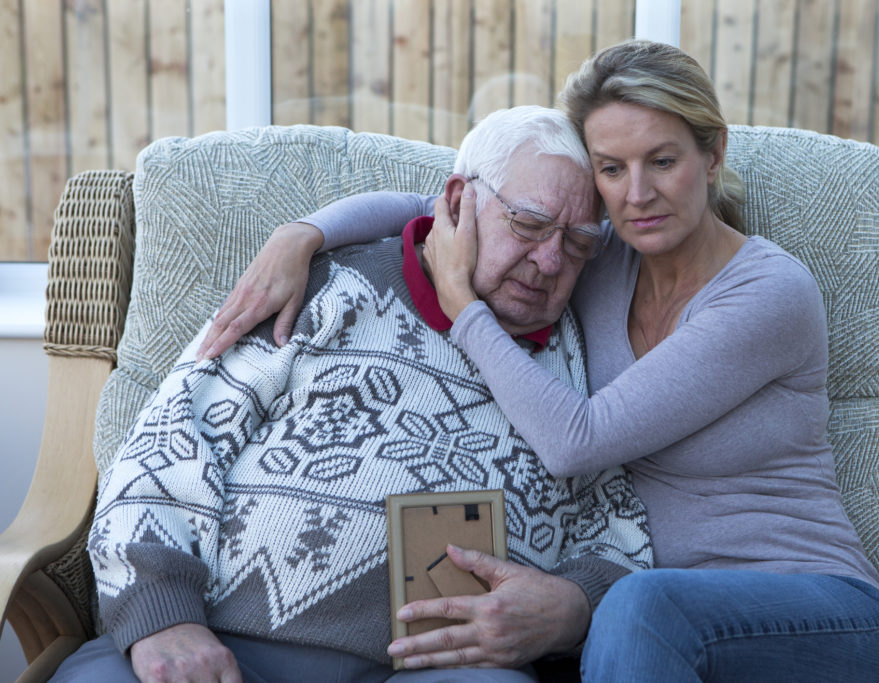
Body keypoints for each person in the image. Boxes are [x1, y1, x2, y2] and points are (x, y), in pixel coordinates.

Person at [198, 40, 879, 682]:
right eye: (612, 169)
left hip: (816, 611)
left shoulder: (768, 293)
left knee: (636, 607)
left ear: (712, 154)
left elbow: (578, 440)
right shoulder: (599, 253)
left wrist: (461, 303)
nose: (637, 194)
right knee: (621, 618)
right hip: (653, 632)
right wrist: (304, 233)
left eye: (662, 160)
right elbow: (445, 202)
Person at [51, 106, 653, 683]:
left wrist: (574, 606)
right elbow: (165, 444)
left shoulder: (586, 354)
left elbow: (623, 538)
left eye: (577, 244)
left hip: (448, 666)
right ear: (456, 201)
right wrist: (163, 617)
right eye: (528, 224)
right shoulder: (324, 288)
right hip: (224, 641)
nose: (550, 262)